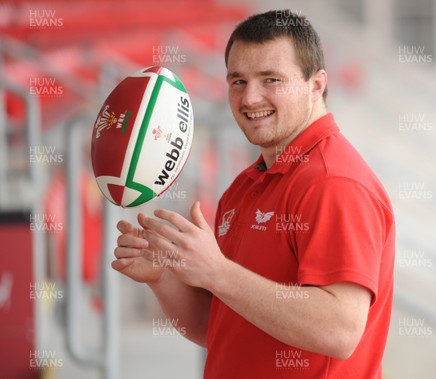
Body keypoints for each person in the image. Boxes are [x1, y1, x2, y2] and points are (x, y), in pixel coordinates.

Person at [113, 10, 395, 378]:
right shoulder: (246, 185)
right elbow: (214, 327)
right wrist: (162, 277)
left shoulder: (333, 183)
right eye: (238, 81)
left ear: (316, 85)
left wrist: (218, 273)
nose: (250, 98)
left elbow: (339, 330)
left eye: (271, 79)